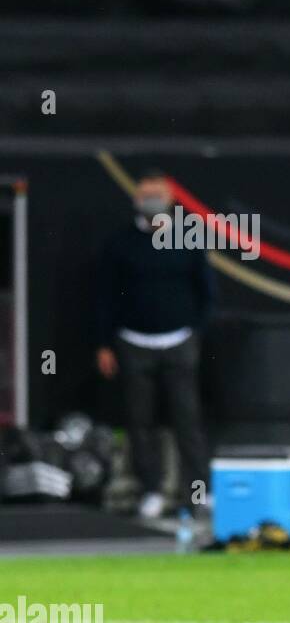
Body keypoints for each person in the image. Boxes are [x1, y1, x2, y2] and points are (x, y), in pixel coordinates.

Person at [95, 171, 213, 519]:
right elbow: (104, 297)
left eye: (157, 196)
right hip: (134, 342)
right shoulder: (120, 244)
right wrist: (104, 343)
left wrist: (195, 333)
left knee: (187, 419)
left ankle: (198, 491)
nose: (151, 203)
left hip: (179, 340)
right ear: (136, 200)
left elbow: (206, 293)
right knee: (139, 421)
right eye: (145, 196)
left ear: (171, 199)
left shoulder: (187, 239)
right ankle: (151, 490)